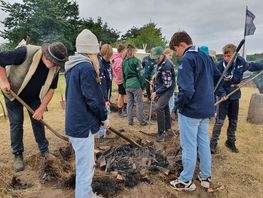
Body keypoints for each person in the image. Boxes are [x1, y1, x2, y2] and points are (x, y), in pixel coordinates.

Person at [0, 41, 68, 172]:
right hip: (13, 93)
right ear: (47, 56)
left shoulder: (55, 67)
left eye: (58, 63)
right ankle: (18, 154)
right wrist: (3, 81)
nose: (55, 65)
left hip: (33, 97)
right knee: (16, 123)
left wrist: (42, 107)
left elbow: (51, 89)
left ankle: (44, 150)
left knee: (38, 121)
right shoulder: (25, 52)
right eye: (54, 62)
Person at [169, 31, 220, 191]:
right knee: (203, 142)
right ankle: (205, 176)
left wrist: (177, 105)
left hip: (191, 110)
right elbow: (218, 77)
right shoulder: (207, 57)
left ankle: (185, 180)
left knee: (189, 145)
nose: (176, 53)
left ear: (182, 45)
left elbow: (187, 90)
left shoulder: (187, 58)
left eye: (176, 49)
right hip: (206, 108)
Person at [64, 29, 108, 198]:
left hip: (76, 123)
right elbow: (94, 100)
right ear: (92, 51)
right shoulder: (86, 68)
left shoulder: (73, 67)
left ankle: (88, 194)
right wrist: (104, 118)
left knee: (85, 165)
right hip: (81, 126)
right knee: (85, 169)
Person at [210, 44, 263, 154]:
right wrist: (222, 93)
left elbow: (253, 66)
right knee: (219, 121)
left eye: (229, 56)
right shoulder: (219, 66)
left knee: (233, 120)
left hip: (234, 94)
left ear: (234, 55)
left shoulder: (240, 62)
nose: (226, 58)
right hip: (223, 95)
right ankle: (213, 144)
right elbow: (216, 82)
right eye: (225, 56)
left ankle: (230, 141)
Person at [151, 47, 176, 142]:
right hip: (162, 88)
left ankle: (161, 133)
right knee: (165, 107)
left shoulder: (167, 66)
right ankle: (168, 128)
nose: (156, 60)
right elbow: (158, 73)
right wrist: (155, 78)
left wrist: (156, 92)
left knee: (159, 107)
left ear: (162, 55)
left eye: (157, 58)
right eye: (154, 59)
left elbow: (168, 84)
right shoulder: (160, 63)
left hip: (167, 90)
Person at [122, 44, 147, 126]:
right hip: (136, 84)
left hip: (128, 85)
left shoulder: (124, 62)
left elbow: (123, 75)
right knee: (139, 103)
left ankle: (130, 121)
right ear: (133, 51)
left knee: (129, 103)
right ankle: (142, 121)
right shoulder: (136, 61)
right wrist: (143, 85)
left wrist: (125, 86)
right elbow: (141, 74)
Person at [98, 44, 113, 138]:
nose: (108, 58)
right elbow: (102, 85)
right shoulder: (100, 65)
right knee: (103, 113)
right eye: (107, 56)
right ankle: (102, 135)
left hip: (107, 92)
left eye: (110, 56)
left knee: (107, 113)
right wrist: (105, 99)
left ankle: (105, 130)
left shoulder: (108, 64)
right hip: (102, 95)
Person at [112, 44, 127, 117]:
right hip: (121, 81)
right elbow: (118, 70)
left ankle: (123, 109)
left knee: (123, 94)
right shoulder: (119, 60)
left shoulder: (116, 58)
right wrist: (123, 78)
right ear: (122, 51)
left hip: (119, 80)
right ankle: (120, 110)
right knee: (121, 95)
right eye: (125, 51)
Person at [163, 48, 177, 114]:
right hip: (167, 85)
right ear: (165, 54)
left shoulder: (170, 63)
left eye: (171, 56)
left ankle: (168, 114)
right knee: (169, 101)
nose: (171, 57)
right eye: (169, 55)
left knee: (170, 102)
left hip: (170, 85)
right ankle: (167, 114)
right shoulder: (165, 63)